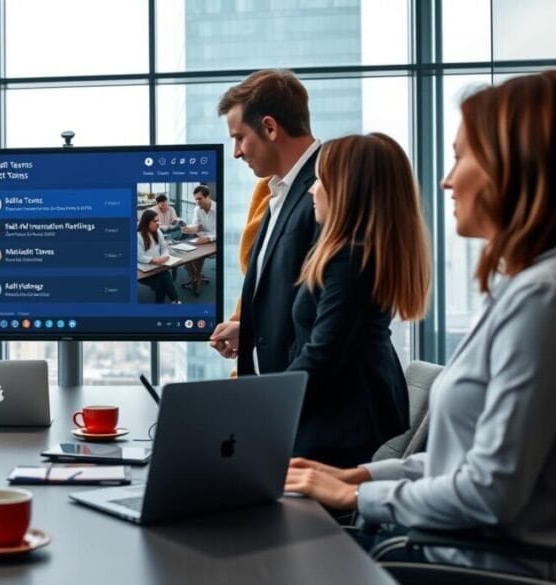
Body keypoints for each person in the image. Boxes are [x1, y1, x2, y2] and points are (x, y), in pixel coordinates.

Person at [286, 71, 556, 579]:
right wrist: (361, 475)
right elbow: (463, 462)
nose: (446, 179)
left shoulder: (541, 299)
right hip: (447, 549)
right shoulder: (521, 290)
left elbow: (489, 491)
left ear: (515, 167)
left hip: (465, 566)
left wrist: (356, 494)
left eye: (460, 156)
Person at [285, 133, 431, 467]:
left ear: (346, 190)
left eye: (321, 179)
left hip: (339, 420)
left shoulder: (350, 258)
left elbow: (324, 352)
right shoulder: (359, 252)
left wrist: (262, 405)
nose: (312, 189)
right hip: (347, 410)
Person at [208, 69, 321, 377]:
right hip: (283, 399)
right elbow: (291, 299)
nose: (235, 152)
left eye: (239, 137)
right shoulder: (275, 193)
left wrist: (281, 403)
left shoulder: (328, 186)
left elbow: (329, 318)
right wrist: (248, 333)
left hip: (316, 404)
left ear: (270, 128)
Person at [137, 209, 180, 304]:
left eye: (158, 220)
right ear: (147, 222)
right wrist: (154, 259)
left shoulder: (158, 231)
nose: (158, 223)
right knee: (162, 282)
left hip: (157, 267)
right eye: (155, 221)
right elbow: (139, 257)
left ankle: (175, 302)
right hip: (144, 270)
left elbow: (164, 247)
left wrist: (165, 256)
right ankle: (175, 302)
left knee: (164, 276)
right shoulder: (138, 236)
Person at [180, 185, 217, 294]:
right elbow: (197, 226)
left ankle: (196, 278)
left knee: (197, 256)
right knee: (186, 255)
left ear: (208, 197)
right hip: (202, 238)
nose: (197, 202)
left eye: (199, 199)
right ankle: (196, 276)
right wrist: (189, 229)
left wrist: (209, 238)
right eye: (195, 199)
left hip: (216, 240)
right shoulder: (197, 209)